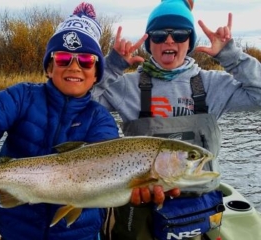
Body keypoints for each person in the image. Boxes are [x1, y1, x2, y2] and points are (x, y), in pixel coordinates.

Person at [0, 3, 121, 240]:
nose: (74, 66)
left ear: (96, 73)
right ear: (49, 67)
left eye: (86, 60)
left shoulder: (102, 120)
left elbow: (108, 172)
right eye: (64, 57)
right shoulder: (21, 98)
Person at [92, 0, 261, 239]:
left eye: (180, 34)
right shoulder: (127, 87)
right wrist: (112, 67)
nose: (169, 41)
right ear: (150, 42)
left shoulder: (212, 85)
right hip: (140, 206)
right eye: (159, 35)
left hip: (194, 209)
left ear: (190, 41)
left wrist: (231, 57)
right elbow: (81, 104)